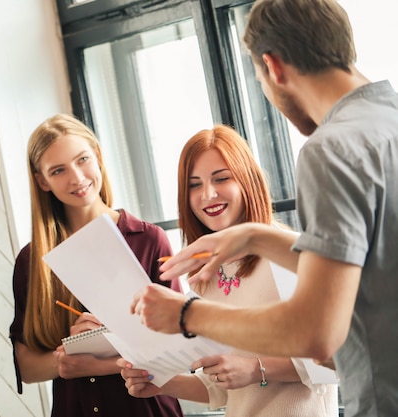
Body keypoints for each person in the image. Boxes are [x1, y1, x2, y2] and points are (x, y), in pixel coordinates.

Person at [129, 1, 398, 416]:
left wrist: (186, 315)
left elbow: (318, 334)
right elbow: (372, 272)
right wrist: (254, 236)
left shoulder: (331, 151)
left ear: (273, 68)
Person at [119, 125, 338, 416]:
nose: (208, 194)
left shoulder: (286, 255)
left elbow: (333, 365)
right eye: (194, 185)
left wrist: (255, 369)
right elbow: (220, 388)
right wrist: (161, 385)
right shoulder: (203, 275)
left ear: (247, 181)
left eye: (221, 178)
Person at [8, 113, 183, 417]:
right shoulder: (32, 261)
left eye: (82, 159)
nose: (76, 177)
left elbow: (180, 349)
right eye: (59, 170)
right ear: (42, 181)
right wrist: (70, 354)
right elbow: (27, 367)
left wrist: (101, 359)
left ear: (98, 156)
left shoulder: (149, 240)